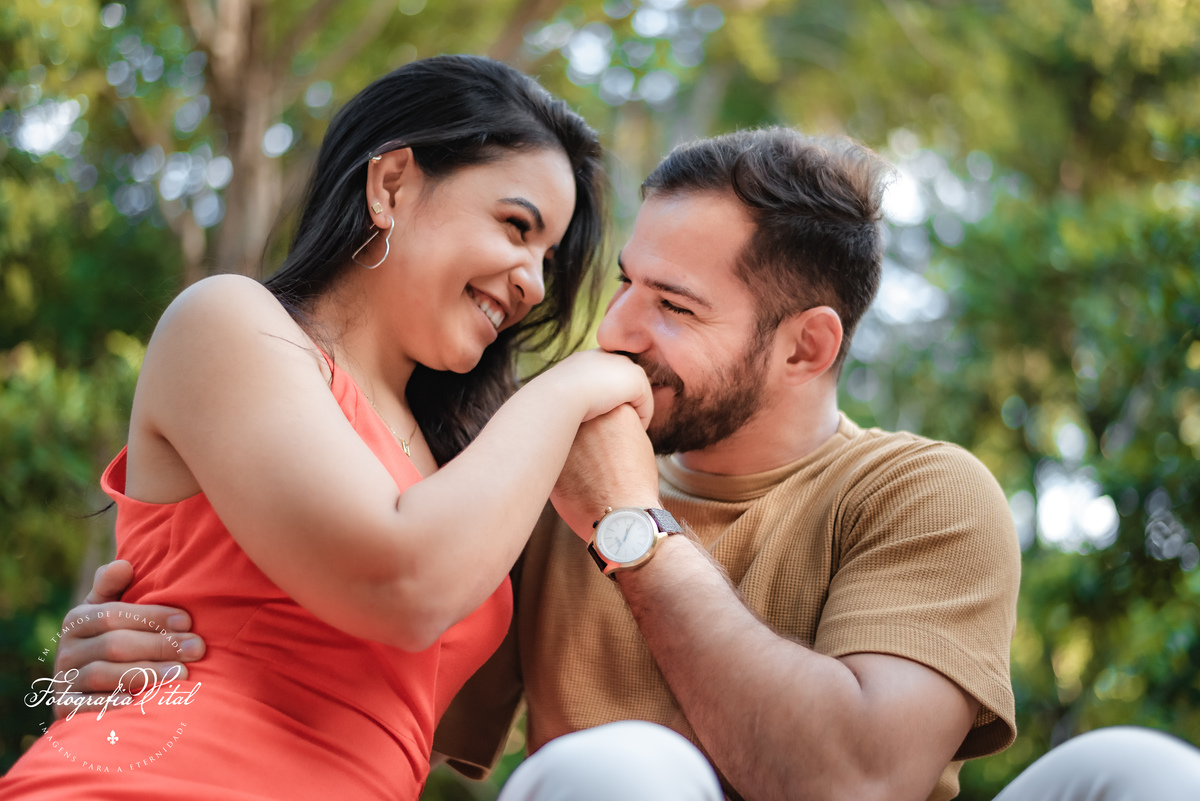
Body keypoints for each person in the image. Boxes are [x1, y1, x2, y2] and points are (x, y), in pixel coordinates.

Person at [39, 130, 1200, 799]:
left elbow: (858, 782)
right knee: (627, 774)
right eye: (627, 283)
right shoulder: (524, 472)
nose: (617, 331)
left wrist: (631, 532)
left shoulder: (920, 492)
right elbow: (349, 645)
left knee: (1145, 771)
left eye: (674, 305)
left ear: (806, 347)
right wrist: (121, 652)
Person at [0, 55, 655, 800]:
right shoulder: (230, 323)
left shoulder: (464, 460)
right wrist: (574, 382)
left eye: (546, 257)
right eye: (515, 226)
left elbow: (406, 720)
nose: (534, 283)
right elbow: (397, 581)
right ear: (392, 184)